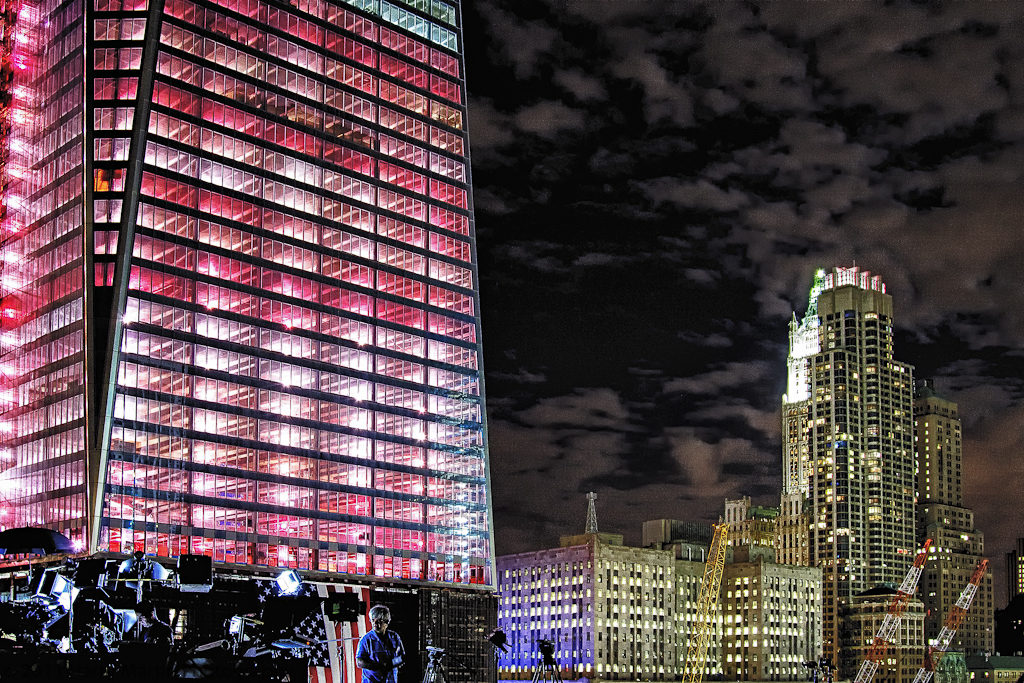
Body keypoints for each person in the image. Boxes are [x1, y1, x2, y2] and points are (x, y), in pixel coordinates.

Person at [356, 605, 404, 683]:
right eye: (372, 620)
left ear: (386, 622)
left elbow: (402, 656)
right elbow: (359, 662)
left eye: (378, 621)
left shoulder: (394, 637)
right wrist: (379, 666)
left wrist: (393, 663)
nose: (375, 623)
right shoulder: (366, 639)